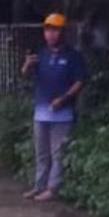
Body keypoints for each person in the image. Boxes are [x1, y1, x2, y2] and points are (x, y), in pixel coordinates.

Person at [21, 13, 86, 202]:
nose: (51, 34)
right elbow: (25, 76)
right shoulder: (40, 54)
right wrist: (26, 66)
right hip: (41, 113)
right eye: (48, 30)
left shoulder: (73, 56)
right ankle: (38, 186)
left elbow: (80, 82)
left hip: (62, 115)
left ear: (63, 32)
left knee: (58, 154)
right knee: (41, 153)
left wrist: (64, 99)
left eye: (55, 30)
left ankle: (52, 189)